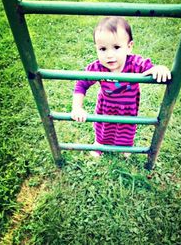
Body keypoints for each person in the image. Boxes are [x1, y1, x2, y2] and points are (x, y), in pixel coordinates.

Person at [71, 17, 171, 157]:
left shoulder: (134, 63)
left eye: (116, 47)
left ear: (129, 47)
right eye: (103, 49)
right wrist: (77, 107)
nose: (109, 55)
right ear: (96, 49)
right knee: (103, 127)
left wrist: (159, 68)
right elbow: (81, 84)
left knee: (127, 128)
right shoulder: (97, 68)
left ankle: (125, 146)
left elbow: (150, 68)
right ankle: (99, 144)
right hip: (105, 107)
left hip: (128, 109)